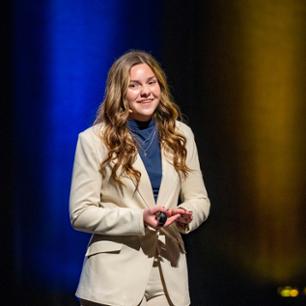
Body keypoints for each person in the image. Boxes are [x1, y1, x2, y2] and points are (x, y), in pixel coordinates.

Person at [69, 50, 211, 306]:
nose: (145, 91)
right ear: (119, 93)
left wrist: (186, 213)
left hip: (169, 275)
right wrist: (138, 219)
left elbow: (200, 199)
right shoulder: (93, 141)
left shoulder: (181, 135)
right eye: (133, 85)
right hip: (112, 280)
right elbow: (81, 213)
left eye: (151, 82)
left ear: (160, 86)